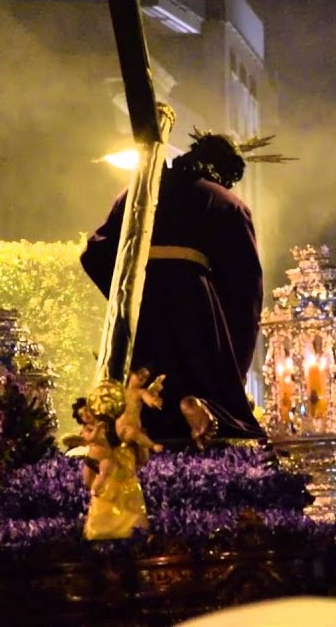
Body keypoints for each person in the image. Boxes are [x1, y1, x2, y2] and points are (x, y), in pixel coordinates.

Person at [82, 129, 273, 445]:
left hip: (137, 303)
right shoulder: (226, 203)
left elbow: (95, 251)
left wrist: (125, 293)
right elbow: (245, 290)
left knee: (134, 389)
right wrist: (233, 362)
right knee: (213, 400)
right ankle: (198, 404)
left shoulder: (135, 193)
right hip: (194, 307)